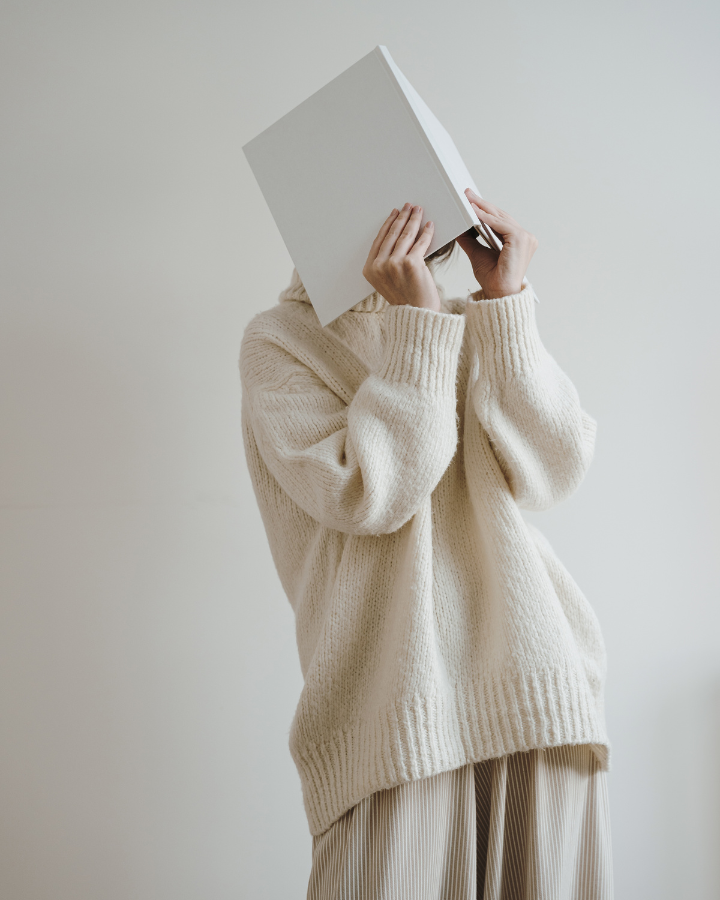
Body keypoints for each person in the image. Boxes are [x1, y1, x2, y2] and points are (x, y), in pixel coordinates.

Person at [239, 188, 613, 899]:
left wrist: (505, 303)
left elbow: (555, 466)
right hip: (391, 716)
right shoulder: (280, 342)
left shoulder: (471, 322)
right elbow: (368, 493)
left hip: (536, 692)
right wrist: (417, 326)